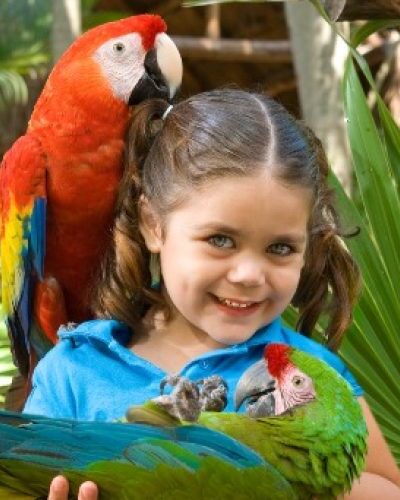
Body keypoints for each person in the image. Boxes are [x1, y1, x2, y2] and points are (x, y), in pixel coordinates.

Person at [22, 90, 399, 499]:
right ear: (153, 224)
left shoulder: (310, 375)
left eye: (280, 248)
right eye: (220, 239)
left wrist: (284, 470)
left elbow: (385, 488)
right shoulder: (76, 371)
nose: (249, 274)